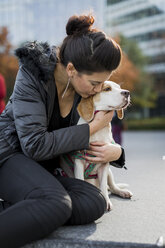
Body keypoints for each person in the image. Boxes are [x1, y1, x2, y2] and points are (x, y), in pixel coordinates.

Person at [0, 14, 125, 248]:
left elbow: (102, 136)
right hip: (8, 155)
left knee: (94, 201)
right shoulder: (31, 75)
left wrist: (117, 152)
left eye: (103, 84)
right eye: (95, 83)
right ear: (70, 69)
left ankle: (21, 207)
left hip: (44, 167)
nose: (98, 90)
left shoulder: (84, 87)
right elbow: (35, 145)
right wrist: (93, 127)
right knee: (56, 203)